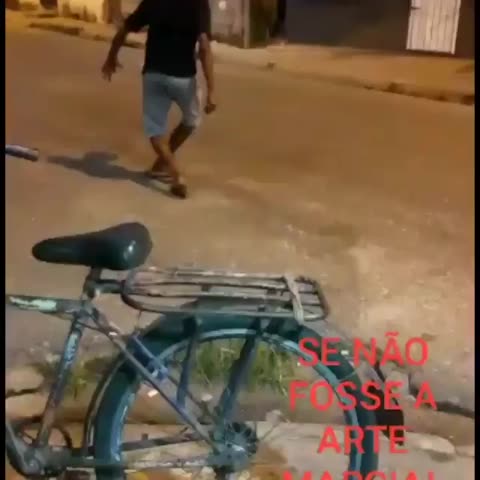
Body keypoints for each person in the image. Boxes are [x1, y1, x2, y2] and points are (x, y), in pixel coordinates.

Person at [101, 0, 216, 199]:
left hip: (154, 75)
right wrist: (212, 89)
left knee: (155, 130)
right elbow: (204, 46)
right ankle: (172, 171)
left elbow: (125, 28)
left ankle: (168, 169)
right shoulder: (198, 3)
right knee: (191, 121)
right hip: (183, 78)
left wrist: (111, 57)